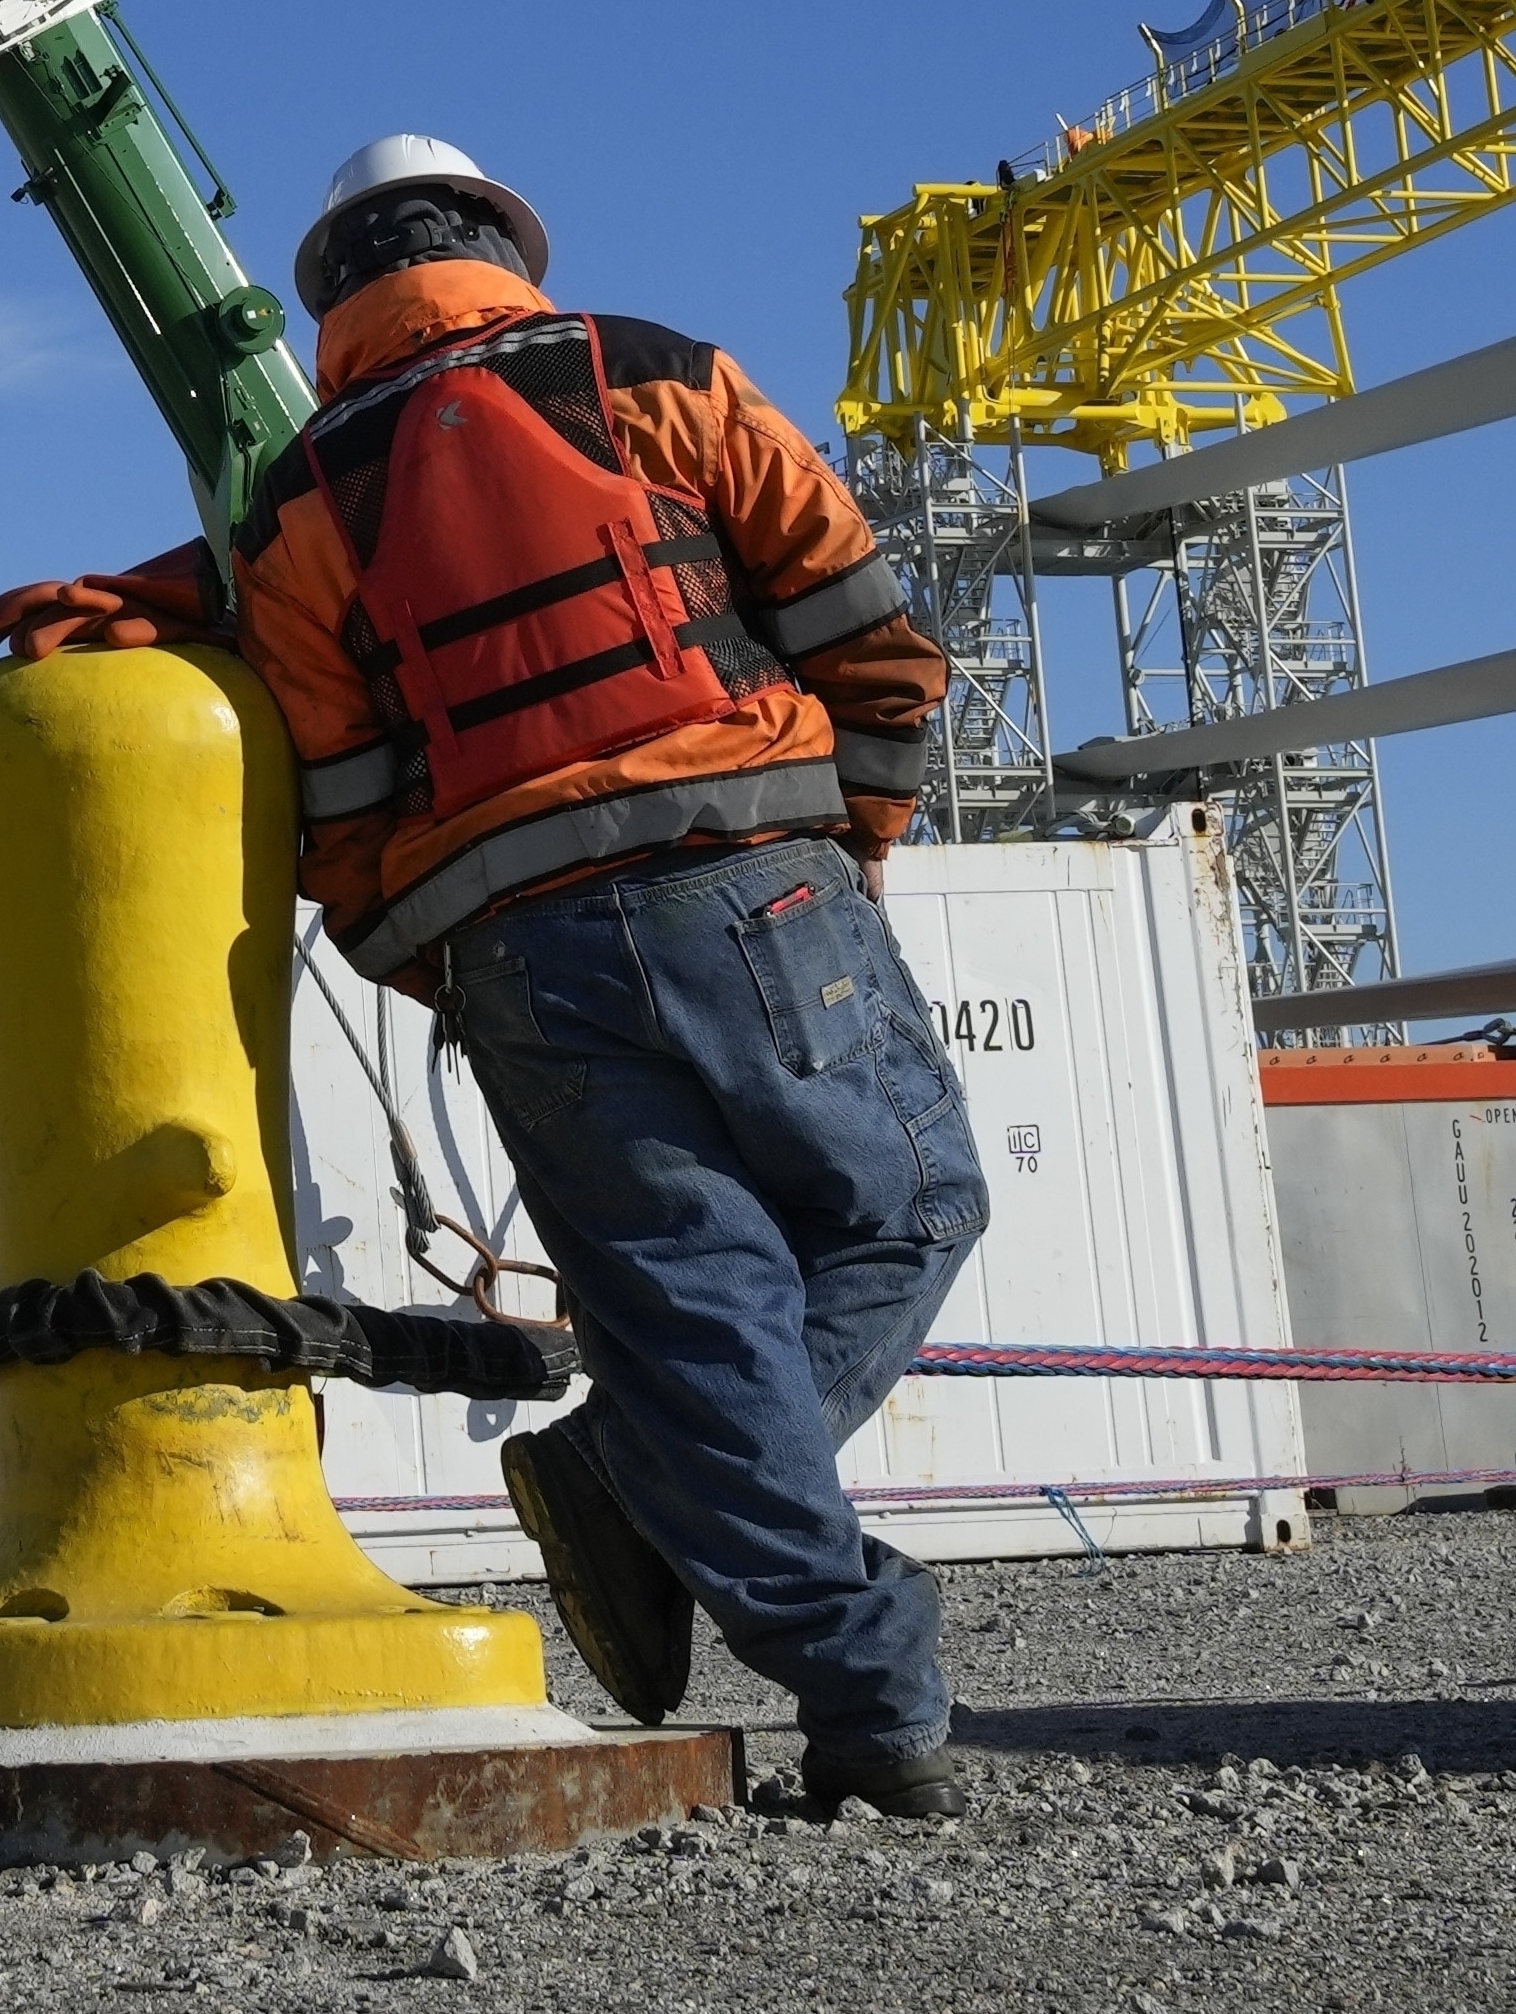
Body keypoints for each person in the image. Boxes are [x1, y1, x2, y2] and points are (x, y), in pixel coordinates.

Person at [231, 135, 981, 1816]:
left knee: (695, 1308)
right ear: (502, 242)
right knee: (906, 1212)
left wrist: (457, 967)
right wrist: (846, 845)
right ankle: (645, 1484)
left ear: (335, 298)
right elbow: (861, 615)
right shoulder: (655, 372)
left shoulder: (296, 505)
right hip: (756, 884)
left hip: (520, 947)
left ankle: (852, 1682)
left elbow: (335, 815)